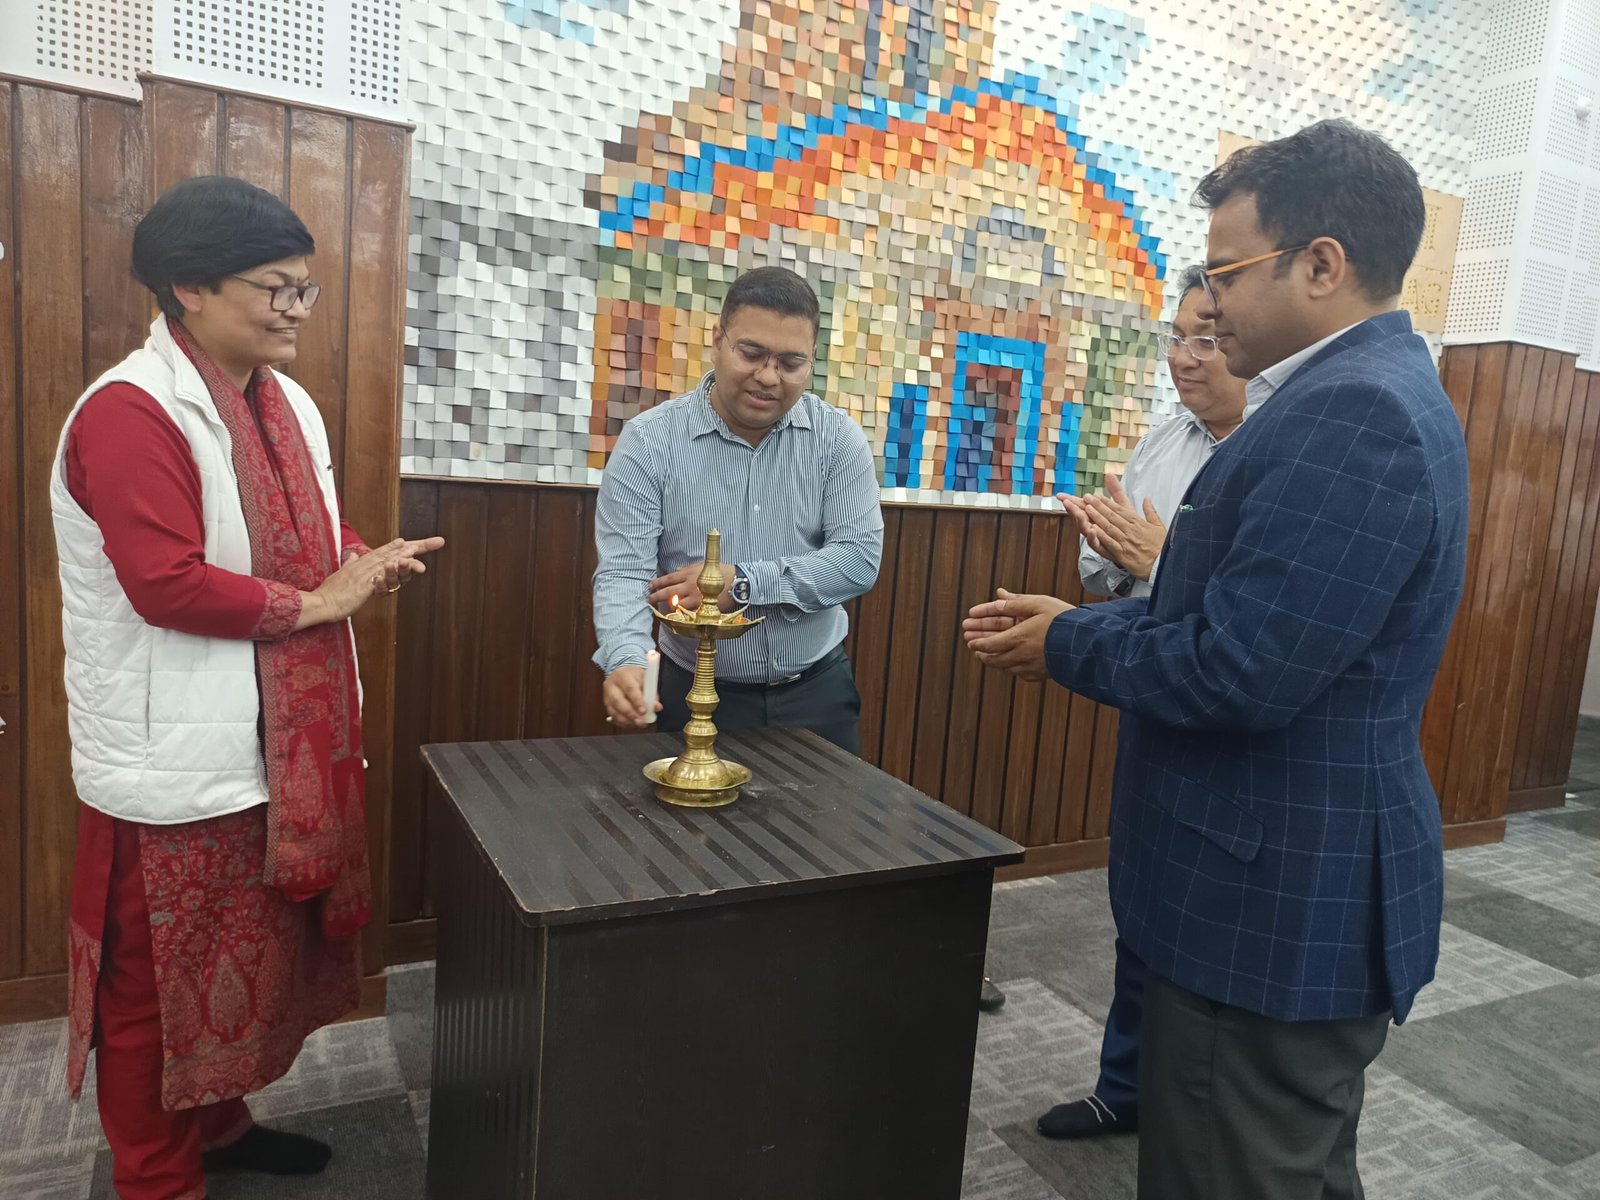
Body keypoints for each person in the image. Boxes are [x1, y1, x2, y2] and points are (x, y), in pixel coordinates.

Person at [962, 119, 1469, 1199]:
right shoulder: (1349, 395)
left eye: (1225, 272)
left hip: (1270, 904)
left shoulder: (1353, 414)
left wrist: (1066, 640)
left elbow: (1240, 670)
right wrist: (1089, 619)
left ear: (1320, 264)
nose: (1210, 301)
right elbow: (1240, 615)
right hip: (1275, 885)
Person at [53, 175, 444, 1200]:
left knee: (240, 965)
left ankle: (222, 1133)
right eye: (275, 287)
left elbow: (304, 534)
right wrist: (321, 602)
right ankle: (155, 1181)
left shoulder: (284, 400)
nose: (295, 309)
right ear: (189, 287)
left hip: (271, 749)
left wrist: (358, 558)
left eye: (303, 288)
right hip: (171, 757)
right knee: (153, 993)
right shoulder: (130, 410)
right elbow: (167, 583)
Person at [1036, 264, 1249, 1141]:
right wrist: (1129, 558)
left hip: (1234, 723)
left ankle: (1198, 1116)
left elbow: (1249, 621)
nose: (1186, 357)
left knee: (1211, 924)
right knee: (1140, 897)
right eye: (1178, 336)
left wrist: (1165, 560)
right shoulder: (1165, 442)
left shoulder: (1278, 450)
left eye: (1208, 338)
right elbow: (1101, 574)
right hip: (1152, 696)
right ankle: (1123, 1087)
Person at [592, 266, 882, 754]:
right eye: (751, 353)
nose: (768, 376)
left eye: (790, 362)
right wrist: (626, 660)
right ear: (717, 340)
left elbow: (859, 560)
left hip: (817, 692)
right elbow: (624, 572)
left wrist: (744, 584)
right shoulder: (649, 442)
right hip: (690, 691)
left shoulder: (837, 440)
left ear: (811, 361)